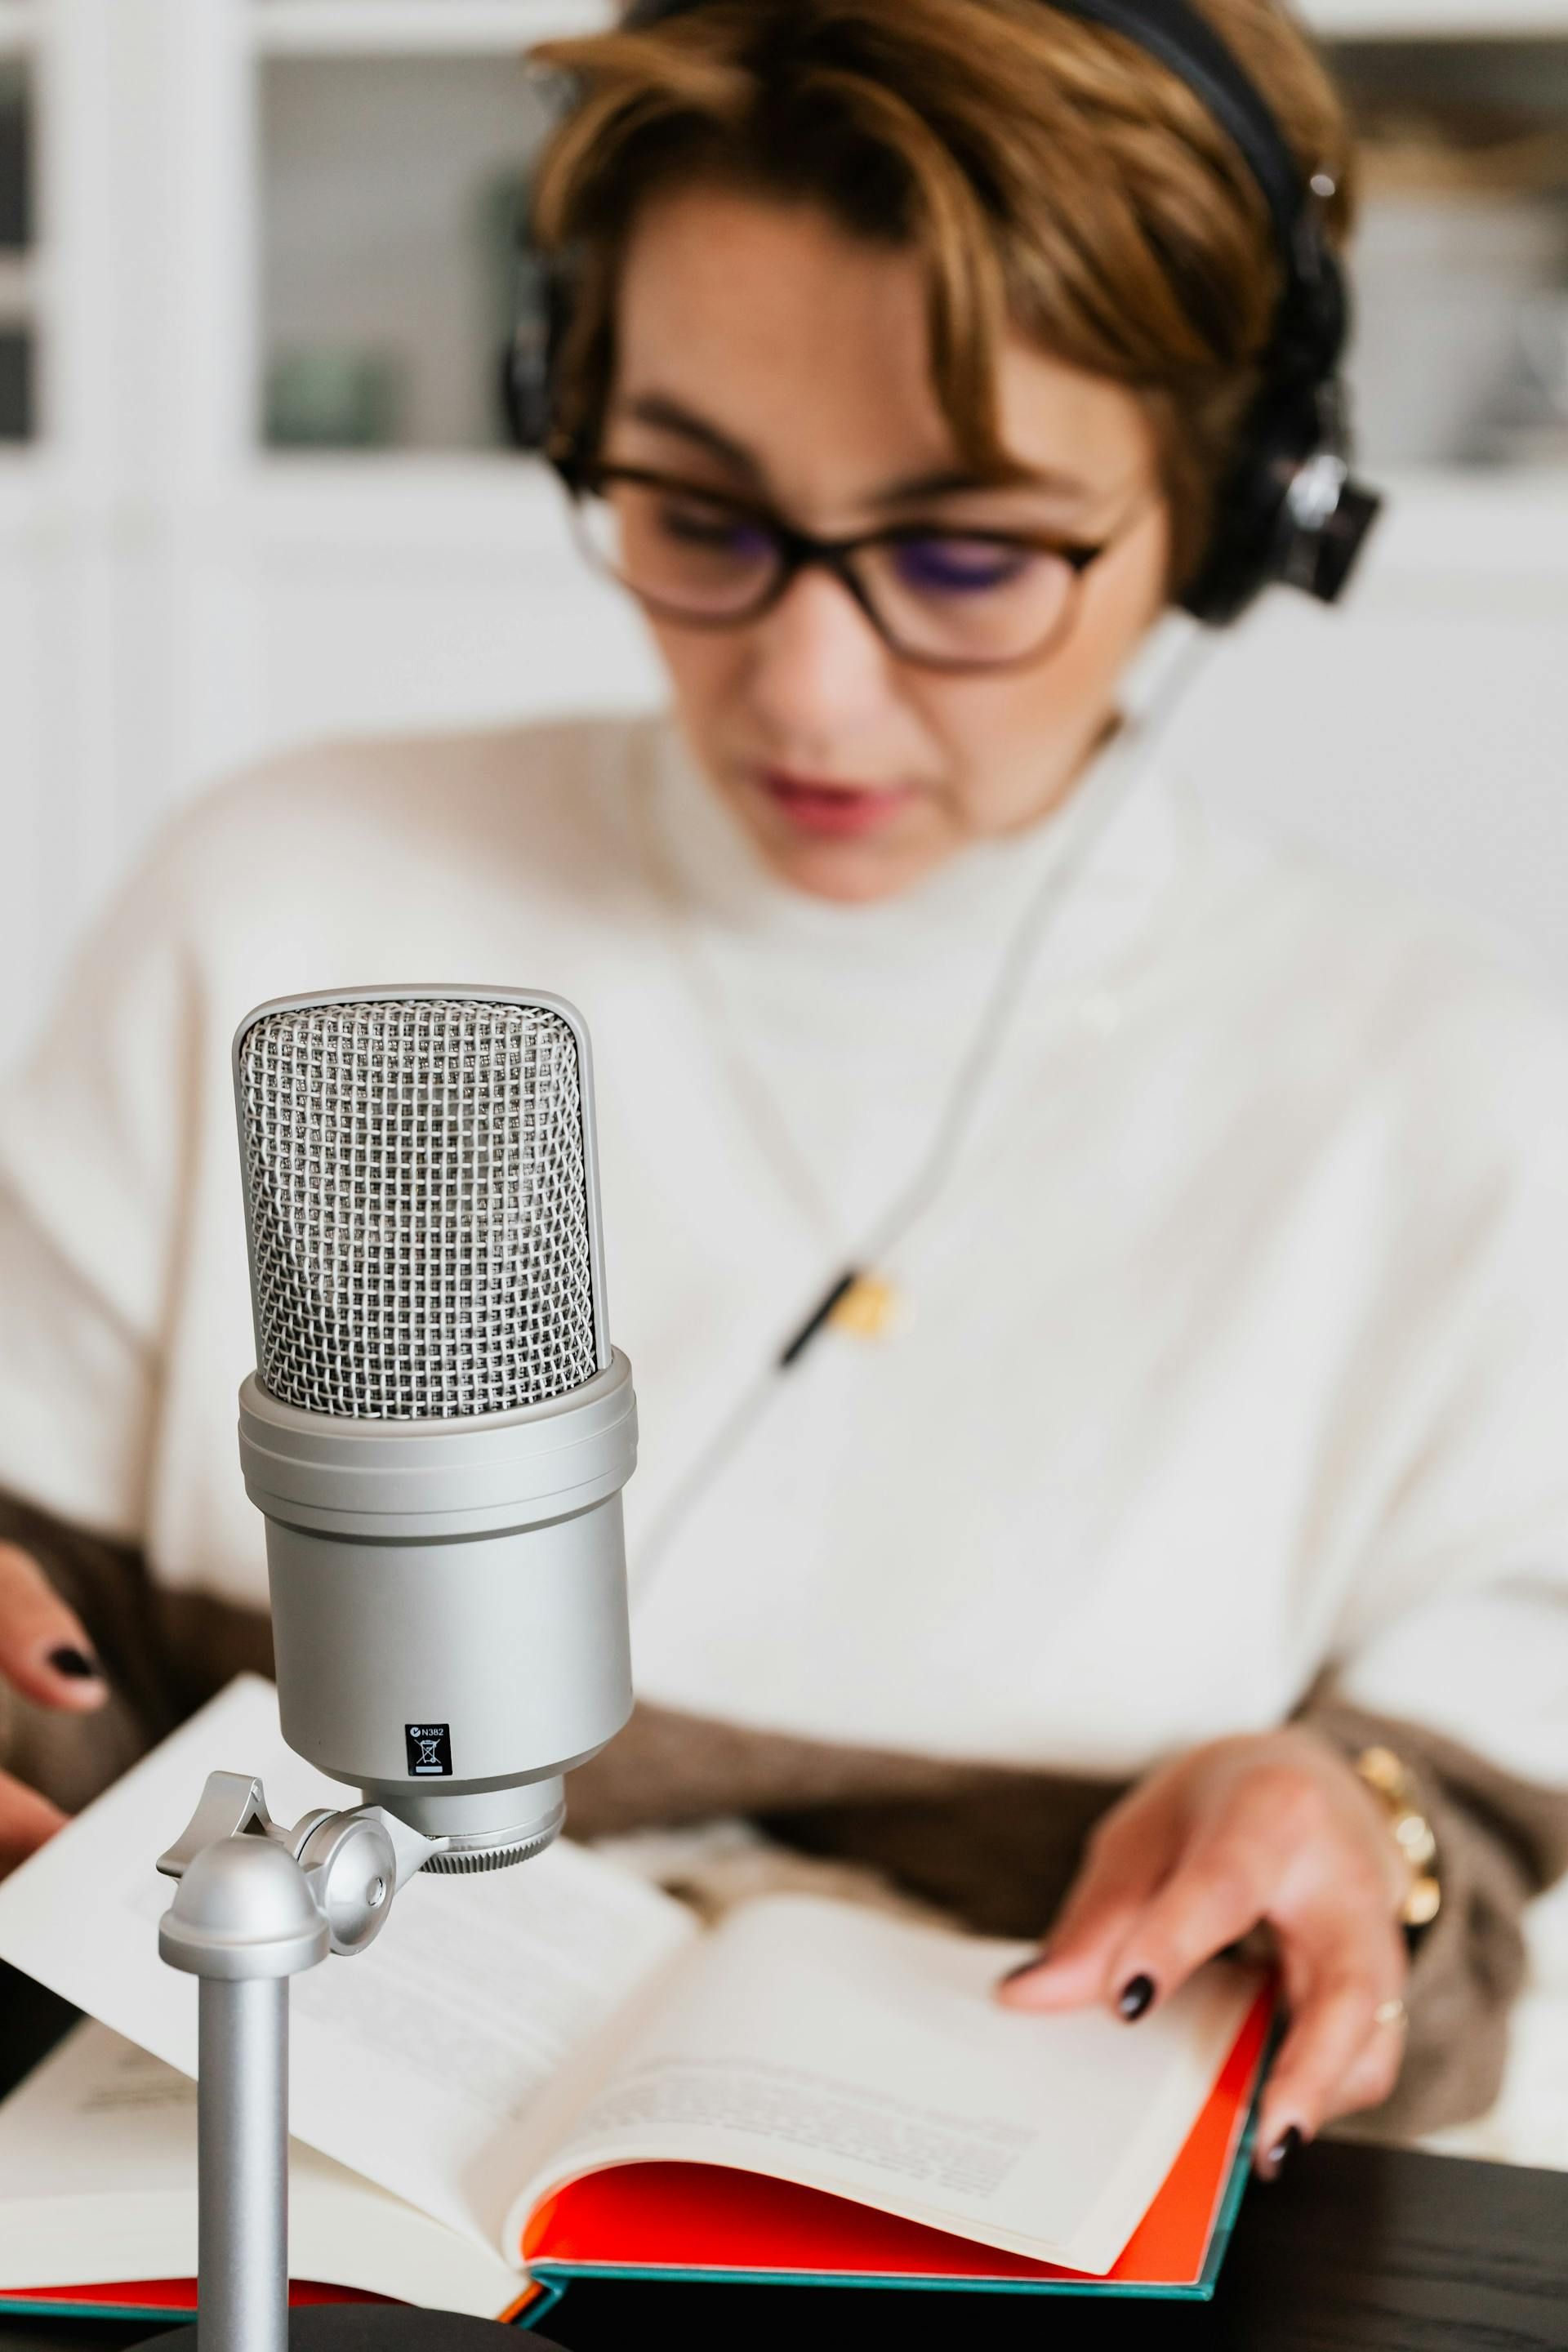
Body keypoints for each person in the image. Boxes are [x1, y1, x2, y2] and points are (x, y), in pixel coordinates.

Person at [2, 0, 1566, 2188]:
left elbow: (1470, 1860)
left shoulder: (1449, 1090)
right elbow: (39, 1619)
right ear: (571, 418)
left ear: (1236, 510)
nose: (808, 690)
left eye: (969, 553)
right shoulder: (277, 899)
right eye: (698, 512)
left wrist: (1358, 1825)